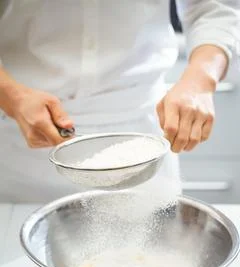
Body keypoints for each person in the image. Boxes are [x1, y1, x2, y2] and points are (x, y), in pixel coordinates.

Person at [0, 0, 239, 202]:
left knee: (146, 254)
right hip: (21, 137)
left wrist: (200, 81)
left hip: (143, 137)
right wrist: (12, 96)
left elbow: (214, 6)